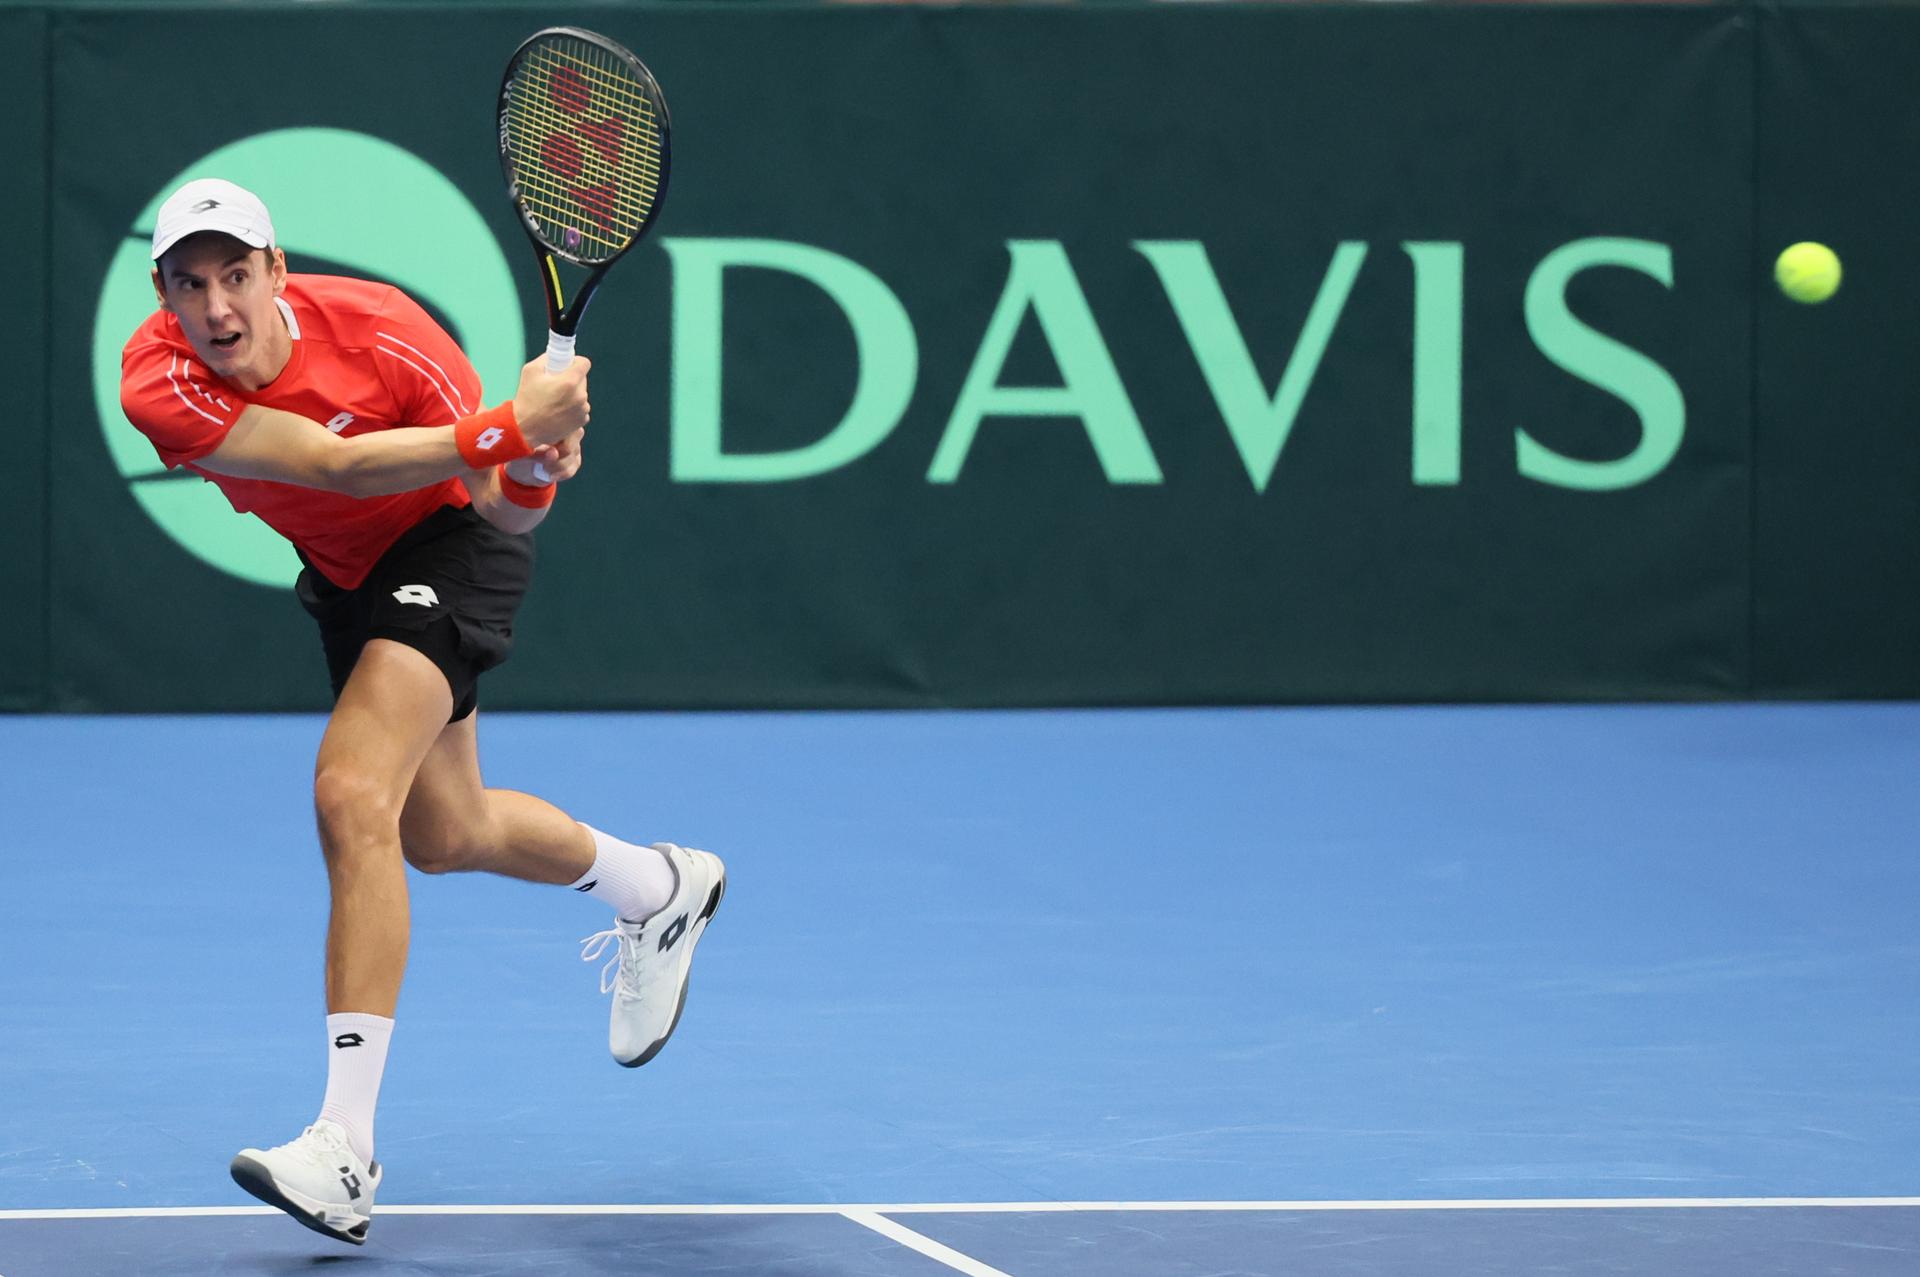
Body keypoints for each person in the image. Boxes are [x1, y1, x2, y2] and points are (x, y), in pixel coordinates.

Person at [118, 178, 726, 1246]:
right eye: (190, 283)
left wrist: (529, 462)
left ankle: (344, 1147)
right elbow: (329, 465)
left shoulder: (388, 333)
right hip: (348, 571)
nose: (216, 307)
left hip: (452, 550)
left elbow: (505, 510)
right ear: (163, 292)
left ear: (276, 271)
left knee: (350, 792)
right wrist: (508, 425)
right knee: (444, 833)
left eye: (236, 275)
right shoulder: (156, 378)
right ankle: (659, 886)